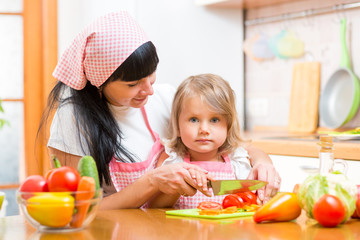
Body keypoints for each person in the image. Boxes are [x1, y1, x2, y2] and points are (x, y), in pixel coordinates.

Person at [38, 11, 280, 210]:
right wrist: (152, 182)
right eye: (133, 84)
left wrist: (262, 161)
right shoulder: (73, 119)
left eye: (151, 77)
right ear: (100, 82)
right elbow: (76, 210)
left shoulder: (166, 97)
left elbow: (236, 145)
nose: (149, 91)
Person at [149, 74, 276, 209]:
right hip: (184, 230)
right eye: (194, 120)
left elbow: (251, 202)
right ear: (178, 127)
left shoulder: (237, 160)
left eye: (214, 120)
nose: (204, 129)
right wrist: (180, 185)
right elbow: (155, 206)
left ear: (228, 126)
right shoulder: (171, 161)